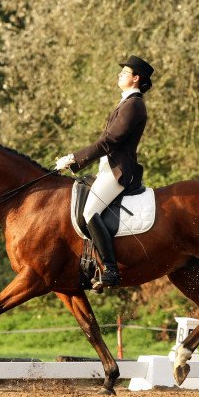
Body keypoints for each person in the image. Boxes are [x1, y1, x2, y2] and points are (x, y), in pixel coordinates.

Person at [56, 55, 154, 289]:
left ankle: (110, 269)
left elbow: (110, 141)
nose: (119, 75)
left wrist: (74, 158)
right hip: (108, 169)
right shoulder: (126, 103)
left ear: (136, 78)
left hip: (119, 172)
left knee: (90, 212)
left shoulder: (134, 105)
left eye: (124, 72)